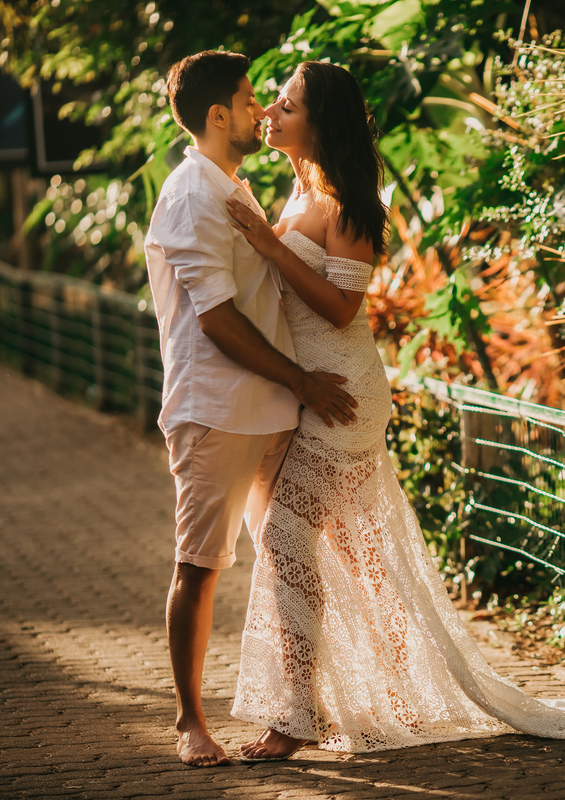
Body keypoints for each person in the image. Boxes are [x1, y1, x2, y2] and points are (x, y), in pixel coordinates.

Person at [224, 61, 565, 760]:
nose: (271, 110)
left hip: (344, 396)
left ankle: (293, 717)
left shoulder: (352, 204)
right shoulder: (293, 194)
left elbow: (339, 308)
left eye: (288, 104)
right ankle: (388, 693)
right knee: (347, 552)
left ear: (320, 123)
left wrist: (268, 246)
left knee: (285, 541)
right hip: (305, 389)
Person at [144, 51, 359, 768]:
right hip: (217, 410)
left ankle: (299, 709)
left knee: (289, 560)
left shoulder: (233, 186)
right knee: (200, 566)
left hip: (269, 409)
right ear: (217, 115)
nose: (260, 108)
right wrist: (302, 380)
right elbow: (216, 320)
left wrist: (295, 388)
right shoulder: (191, 195)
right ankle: (190, 723)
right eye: (247, 98)